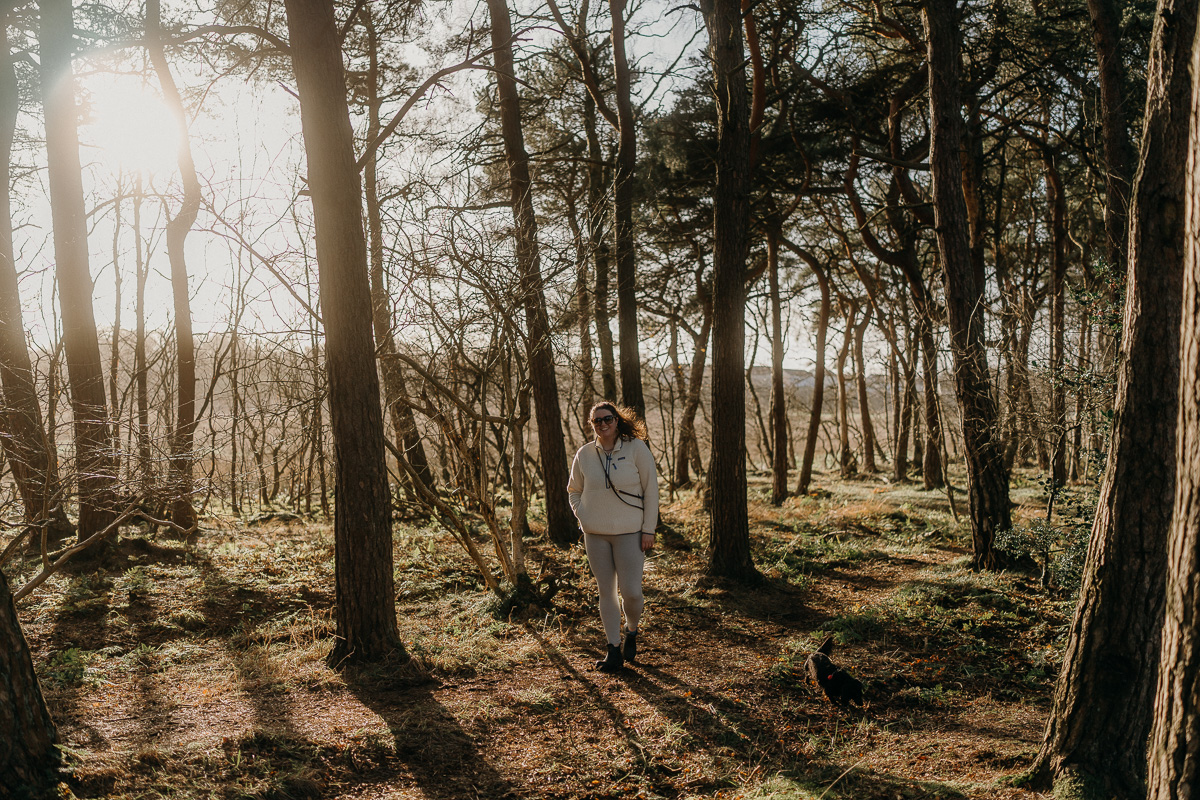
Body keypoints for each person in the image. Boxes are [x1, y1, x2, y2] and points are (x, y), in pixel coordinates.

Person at [567, 401, 660, 672]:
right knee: (605, 591)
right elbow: (573, 489)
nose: (603, 424)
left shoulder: (636, 449)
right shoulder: (584, 454)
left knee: (631, 592)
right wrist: (581, 513)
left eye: (607, 419)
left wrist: (648, 529)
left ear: (616, 420)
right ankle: (613, 649)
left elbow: (651, 490)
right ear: (591, 424)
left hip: (631, 533)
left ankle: (632, 630)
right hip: (595, 534)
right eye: (597, 421)